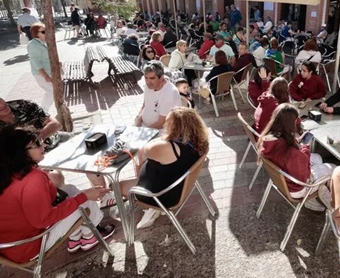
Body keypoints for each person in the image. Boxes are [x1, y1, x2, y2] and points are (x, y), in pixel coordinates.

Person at [0, 126, 115, 263]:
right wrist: (84, 196)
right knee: (85, 200)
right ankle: (90, 235)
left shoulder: (8, 172)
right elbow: (43, 220)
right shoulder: (32, 179)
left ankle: (77, 237)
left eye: (39, 140)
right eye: (36, 144)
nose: (43, 144)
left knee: (70, 189)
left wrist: (44, 175)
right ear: (20, 153)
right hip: (30, 245)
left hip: (9, 246)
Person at [120, 108, 208, 228]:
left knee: (117, 187)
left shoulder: (169, 148)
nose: (164, 124)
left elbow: (146, 148)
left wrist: (164, 137)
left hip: (160, 194)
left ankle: (133, 222)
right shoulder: (196, 142)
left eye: (168, 122)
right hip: (177, 185)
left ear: (177, 127)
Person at [258, 103, 335, 211]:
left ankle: (317, 194)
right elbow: (305, 176)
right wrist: (304, 149)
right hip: (297, 188)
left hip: (283, 180)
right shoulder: (291, 153)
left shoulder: (267, 140)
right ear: (289, 124)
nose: (297, 122)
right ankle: (331, 202)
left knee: (318, 158)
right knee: (334, 168)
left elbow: (286, 155)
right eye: (295, 120)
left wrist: (296, 142)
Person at [135, 62, 182, 130]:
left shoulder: (169, 93)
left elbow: (161, 123)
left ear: (161, 78)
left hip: (161, 130)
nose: (148, 82)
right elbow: (145, 105)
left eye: (152, 78)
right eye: (146, 78)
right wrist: (139, 118)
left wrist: (143, 131)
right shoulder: (149, 86)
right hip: (145, 126)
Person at [27, 23, 54, 111]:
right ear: (36, 33)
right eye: (43, 32)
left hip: (49, 72)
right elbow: (36, 63)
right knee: (51, 92)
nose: (46, 33)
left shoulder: (42, 43)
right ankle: (42, 112)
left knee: (54, 91)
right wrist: (45, 76)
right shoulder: (32, 45)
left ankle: (62, 108)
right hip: (42, 74)